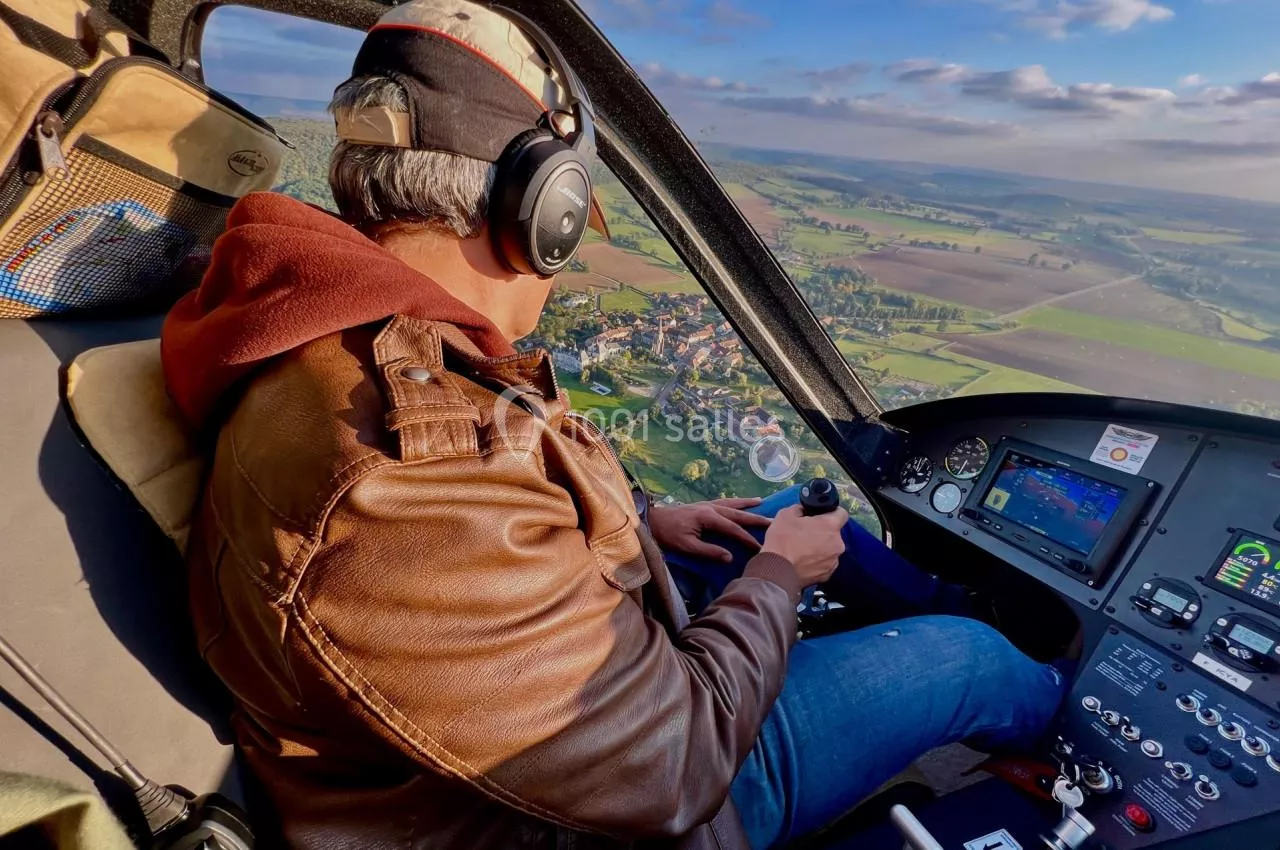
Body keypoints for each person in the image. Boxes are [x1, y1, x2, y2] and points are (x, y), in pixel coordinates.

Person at [160, 2, 1068, 848]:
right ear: (540, 211)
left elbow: (486, 541)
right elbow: (675, 769)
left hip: (528, 737)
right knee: (968, 661)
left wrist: (636, 526)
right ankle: (1069, 712)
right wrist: (779, 578)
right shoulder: (398, 480)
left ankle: (966, 611)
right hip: (618, 813)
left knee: (782, 509)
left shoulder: (335, 337)